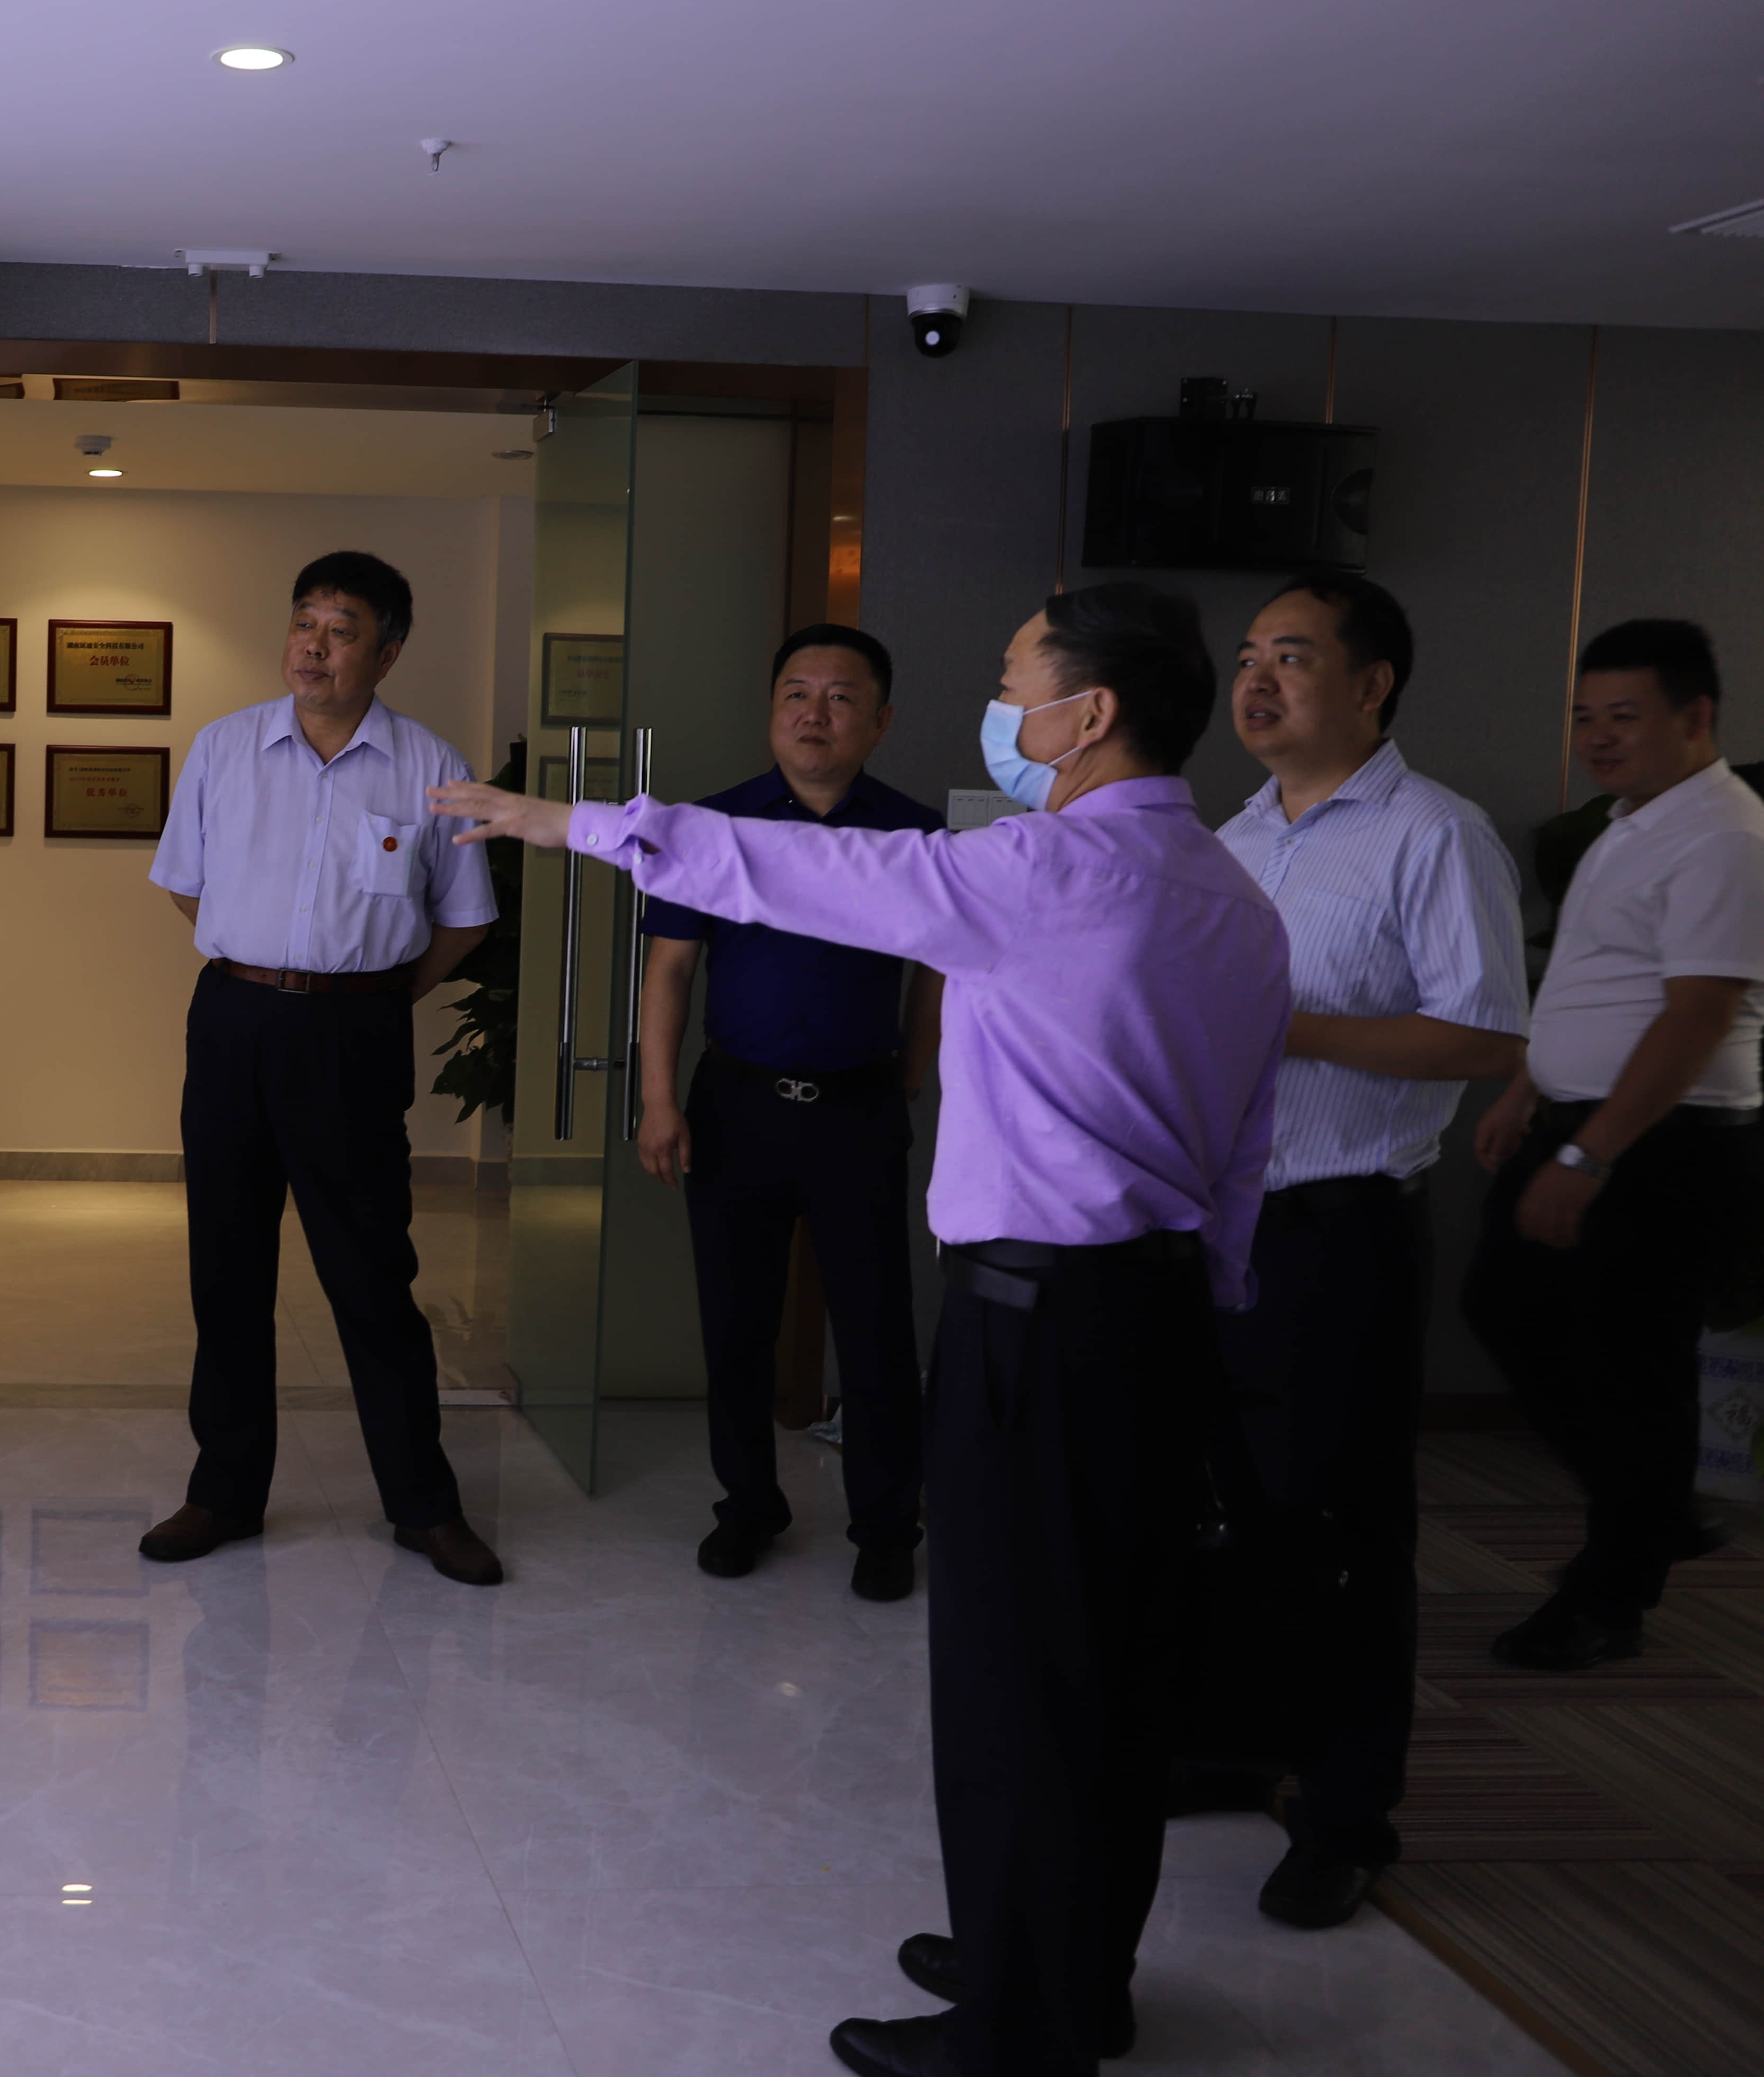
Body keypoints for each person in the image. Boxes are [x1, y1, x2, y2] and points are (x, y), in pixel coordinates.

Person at [436, 582, 1290, 2077]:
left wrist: (561, 822)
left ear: (1087, 715)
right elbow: (1246, 1150)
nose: (1002, 709)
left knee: (1014, 1674)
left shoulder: (1042, 868)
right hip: (1154, 1315)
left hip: (1042, 1319)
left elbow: (795, 869)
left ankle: (1018, 2026)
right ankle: (1069, 1969)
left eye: (1015, 682)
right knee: (1110, 1663)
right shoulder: (1234, 891)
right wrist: (1203, 1319)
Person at [1194, 574, 1527, 1929]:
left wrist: (1294, 1027)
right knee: (1233, 1507)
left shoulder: (1435, 834)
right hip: (1224, 1222)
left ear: (1373, 683)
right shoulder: (1232, 835)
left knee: (1341, 1529)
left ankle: (1345, 1815)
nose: (1257, 682)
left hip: (1343, 1228)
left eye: (1292, 657)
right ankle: (1241, 1745)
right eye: (1247, 659)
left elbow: (1485, 1034)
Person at [139, 550, 506, 1586]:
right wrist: (264, 967)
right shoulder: (224, 747)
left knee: (372, 1275)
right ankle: (224, 1492)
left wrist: (374, 996)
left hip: (355, 1034)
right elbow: (187, 886)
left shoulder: (430, 765)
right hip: (234, 1022)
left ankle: (425, 1506)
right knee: (227, 1268)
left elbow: (466, 920)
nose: (315, 647)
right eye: (305, 623)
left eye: (343, 631)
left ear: (388, 652)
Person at [1466, 618, 1764, 1672]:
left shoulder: (1724, 835)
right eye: (1586, 717)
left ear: (1696, 716)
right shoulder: (1631, 823)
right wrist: (1525, 1089)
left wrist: (1590, 1156)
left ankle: (1611, 1595)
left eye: (1624, 717)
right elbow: (1594, 981)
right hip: (1584, 1121)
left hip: (1664, 1145)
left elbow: (1696, 1015)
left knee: (1632, 1366)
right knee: (1507, 1307)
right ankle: (1654, 1506)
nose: (1597, 737)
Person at [636, 623, 943, 1602]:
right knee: (737, 1325)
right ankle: (747, 1508)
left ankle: (887, 1525)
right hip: (737, 1107)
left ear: (880, 721)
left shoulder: (916, 834)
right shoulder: (711, 828)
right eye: (796, 695)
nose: (815, 714)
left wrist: (911, 1071)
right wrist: (656, 1100)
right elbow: (670, 969)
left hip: (857, 1109)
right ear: (771, 711)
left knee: (876, 1327)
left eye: (841, 697)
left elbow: (939, 968)